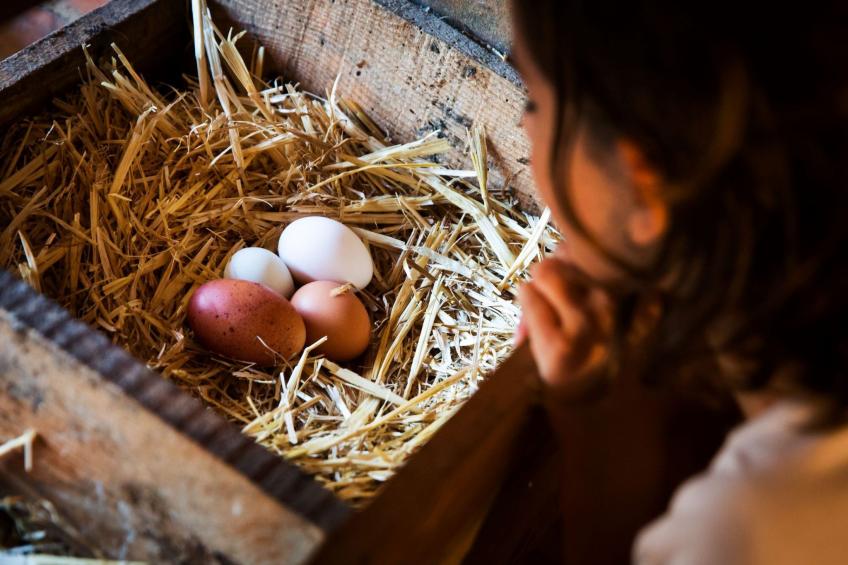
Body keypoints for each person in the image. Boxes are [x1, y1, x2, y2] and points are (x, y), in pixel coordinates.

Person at [510, 1, 848, 563]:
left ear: (646, 186)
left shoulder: (747, 533)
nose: (525, 125)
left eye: (534, 101)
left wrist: (604, 463)